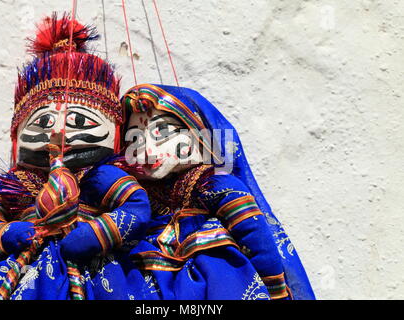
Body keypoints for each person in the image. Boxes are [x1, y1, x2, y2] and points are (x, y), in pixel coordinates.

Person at [0, 13, 158, 300]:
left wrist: (97, 233)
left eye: (78, 122)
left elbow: (136, 207)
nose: (58, 131)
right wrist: (7, 234)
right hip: (24, 270)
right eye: (42, 122)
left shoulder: (99, 176)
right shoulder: (17, 184)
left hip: (96, 272)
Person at [115, 84, 315, 299]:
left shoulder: (215, 184)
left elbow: (256, 238)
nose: (148, 151)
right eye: (134, 139)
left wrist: (274, 290)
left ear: (200, 134)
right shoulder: (138, 194)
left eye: (163, 132)